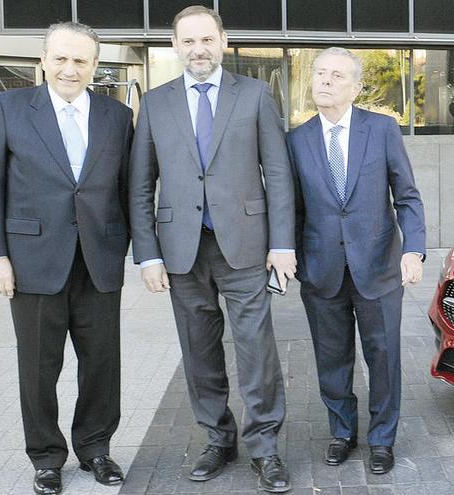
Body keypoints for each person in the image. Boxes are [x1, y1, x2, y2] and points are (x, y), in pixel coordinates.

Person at [128, 6, 295, 493]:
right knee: (198, 351)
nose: (198, 49)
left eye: (207, 39)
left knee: (256, 350)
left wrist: (282, 243)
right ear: (175, 46)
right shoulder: (156, 103)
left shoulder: (256, 94)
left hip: (245, 247)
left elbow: (278, 175)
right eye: (188, 41)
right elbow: (141, 185)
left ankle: (265, 446)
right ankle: (218, 439)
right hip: (181, 250)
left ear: (223, 41)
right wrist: (148, 254)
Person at [0, 21, 132, 495]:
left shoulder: (117, 115)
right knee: (39, 367)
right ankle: (46, 456)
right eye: (61, 58)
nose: (70, 68)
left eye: (81, 60)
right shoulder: (9, 107)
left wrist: (137, 252)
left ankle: (96, 449)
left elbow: (128, 190)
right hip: (32, 261)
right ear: (43, 60)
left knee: (102, 363)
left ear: (95, 66)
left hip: (98, 259)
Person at [286, 47, 426, 475]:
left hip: (379, 268)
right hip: (321, 271)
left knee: (383, 358)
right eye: (320, 73)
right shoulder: (296, 139)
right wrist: (287, 256)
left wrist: (413, 250)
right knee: (332, 359)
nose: (324, 81)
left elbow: (406, 196)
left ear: (356, 87)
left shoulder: (381, 129)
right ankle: (342, 433)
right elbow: (292, 208)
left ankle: (382, 439)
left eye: (336, 75)